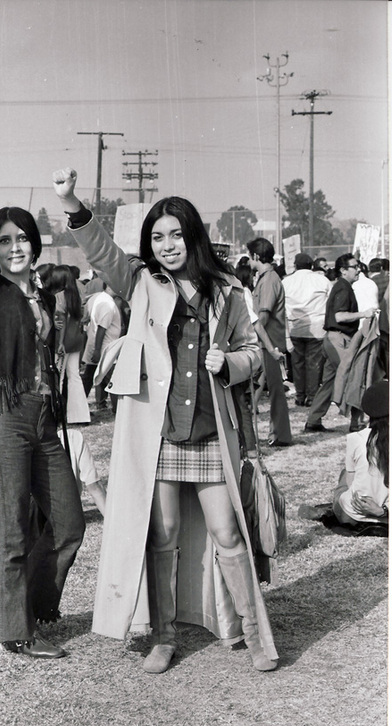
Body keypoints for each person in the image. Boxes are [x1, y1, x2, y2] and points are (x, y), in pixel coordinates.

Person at [53, 167, 278, 674]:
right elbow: (102, 251)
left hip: (209, 431)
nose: (168, 244)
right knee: (163, 533)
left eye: (176, 234)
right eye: (157, 237)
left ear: (193, 235)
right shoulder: (140, 281)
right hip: (157, 436)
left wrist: (234, 363)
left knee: (228, 534)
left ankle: (250, 629)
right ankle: (162, 634)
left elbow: (255, 353)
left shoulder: (227, 291)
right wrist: (70, 201)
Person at [0, 127, 84, 660]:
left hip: (43, 421)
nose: (14, 248)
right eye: (3, 241)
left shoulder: (45, 296)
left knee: (69, 525)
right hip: (2, 419)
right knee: (11, 532)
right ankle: (14, 629)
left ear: (36, 243)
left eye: (22, 239)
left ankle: (26, 608)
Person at [299, 380, 388, 536]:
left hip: (355, 514)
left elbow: (351, 483)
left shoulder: (356, 438)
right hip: (386, 516)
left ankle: (330, 509)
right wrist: (381, 511)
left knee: (345, 475)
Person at [304, 254, 378, 434]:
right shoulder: (344, 288)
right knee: (355, 377)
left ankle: (313, 420)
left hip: (333, 338)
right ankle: (357, 422)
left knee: (329, 382)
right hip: (338, 339)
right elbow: (339, 316)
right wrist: (364, 314)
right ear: (344, 271)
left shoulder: (341, 286)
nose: (358, 269)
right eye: (354, 266)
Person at [248, 237, 292, 447]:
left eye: (250, 257)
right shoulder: (268, 278)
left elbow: (263, 317)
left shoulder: (269, 280)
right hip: (269, 342)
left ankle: (280, 434)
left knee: (275, 391)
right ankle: (277, 433)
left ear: (256, 256)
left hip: (269, 343)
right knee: (267, 389)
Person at [37, 263, 90, 425]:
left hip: (62, 342)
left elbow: (61, 320)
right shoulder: (78, 294)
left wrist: (59, 341)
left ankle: (58, 415)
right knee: (74, 377)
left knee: (58, 379)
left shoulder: (59, 296)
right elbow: (85, 317)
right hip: (77, 340)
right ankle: (80, 415)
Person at [283, 252, 331, 407]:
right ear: (312, 266)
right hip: (317, 327)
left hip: (294, 327)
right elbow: (330, 303)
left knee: (297, 364)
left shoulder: (286, 282)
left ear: (295, 266)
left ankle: (300, 395)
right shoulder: (322, 280)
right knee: (314, 364)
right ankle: (312, 396)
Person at [82, 284, 122, 412]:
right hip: (105, 349)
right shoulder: (107, 304)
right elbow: (101, 328)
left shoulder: (103, 299)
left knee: (88, 379)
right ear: (110, 286)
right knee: (113, 380)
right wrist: (98, 350)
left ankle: (79, 409)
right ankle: (118, 410)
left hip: (101, 347)